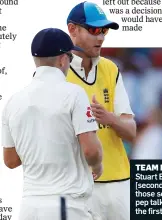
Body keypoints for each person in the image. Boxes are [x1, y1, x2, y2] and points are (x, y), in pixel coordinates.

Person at [2, 28, 103, 219]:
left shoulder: (13, 101)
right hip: (64, 204)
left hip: (29, 206)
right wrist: (97, 166)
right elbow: (91, 152)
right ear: (62, 59)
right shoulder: (74, 93)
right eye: (71, 58)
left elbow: (10, 160)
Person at [65, 2, 136, 220]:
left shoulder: (110, 68)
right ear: (72, 29)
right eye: (94, 30)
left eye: (104, 31)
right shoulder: (57, 71)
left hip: (119, 182)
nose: (101, 37)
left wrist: (109, 118)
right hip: (77, 186)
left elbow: (131, 132)